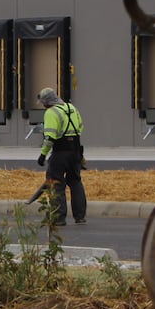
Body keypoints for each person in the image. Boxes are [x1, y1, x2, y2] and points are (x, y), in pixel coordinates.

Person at [35, 86, 87, 226]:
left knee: (56, 183)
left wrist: (43, 155)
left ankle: (59, 218)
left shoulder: (51, 112)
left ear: (47, 102)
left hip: (60, 151)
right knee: (75, 181)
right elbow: (80, 127)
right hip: (76, 151)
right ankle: (80, 216)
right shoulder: (71, 108)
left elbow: (50, 136)